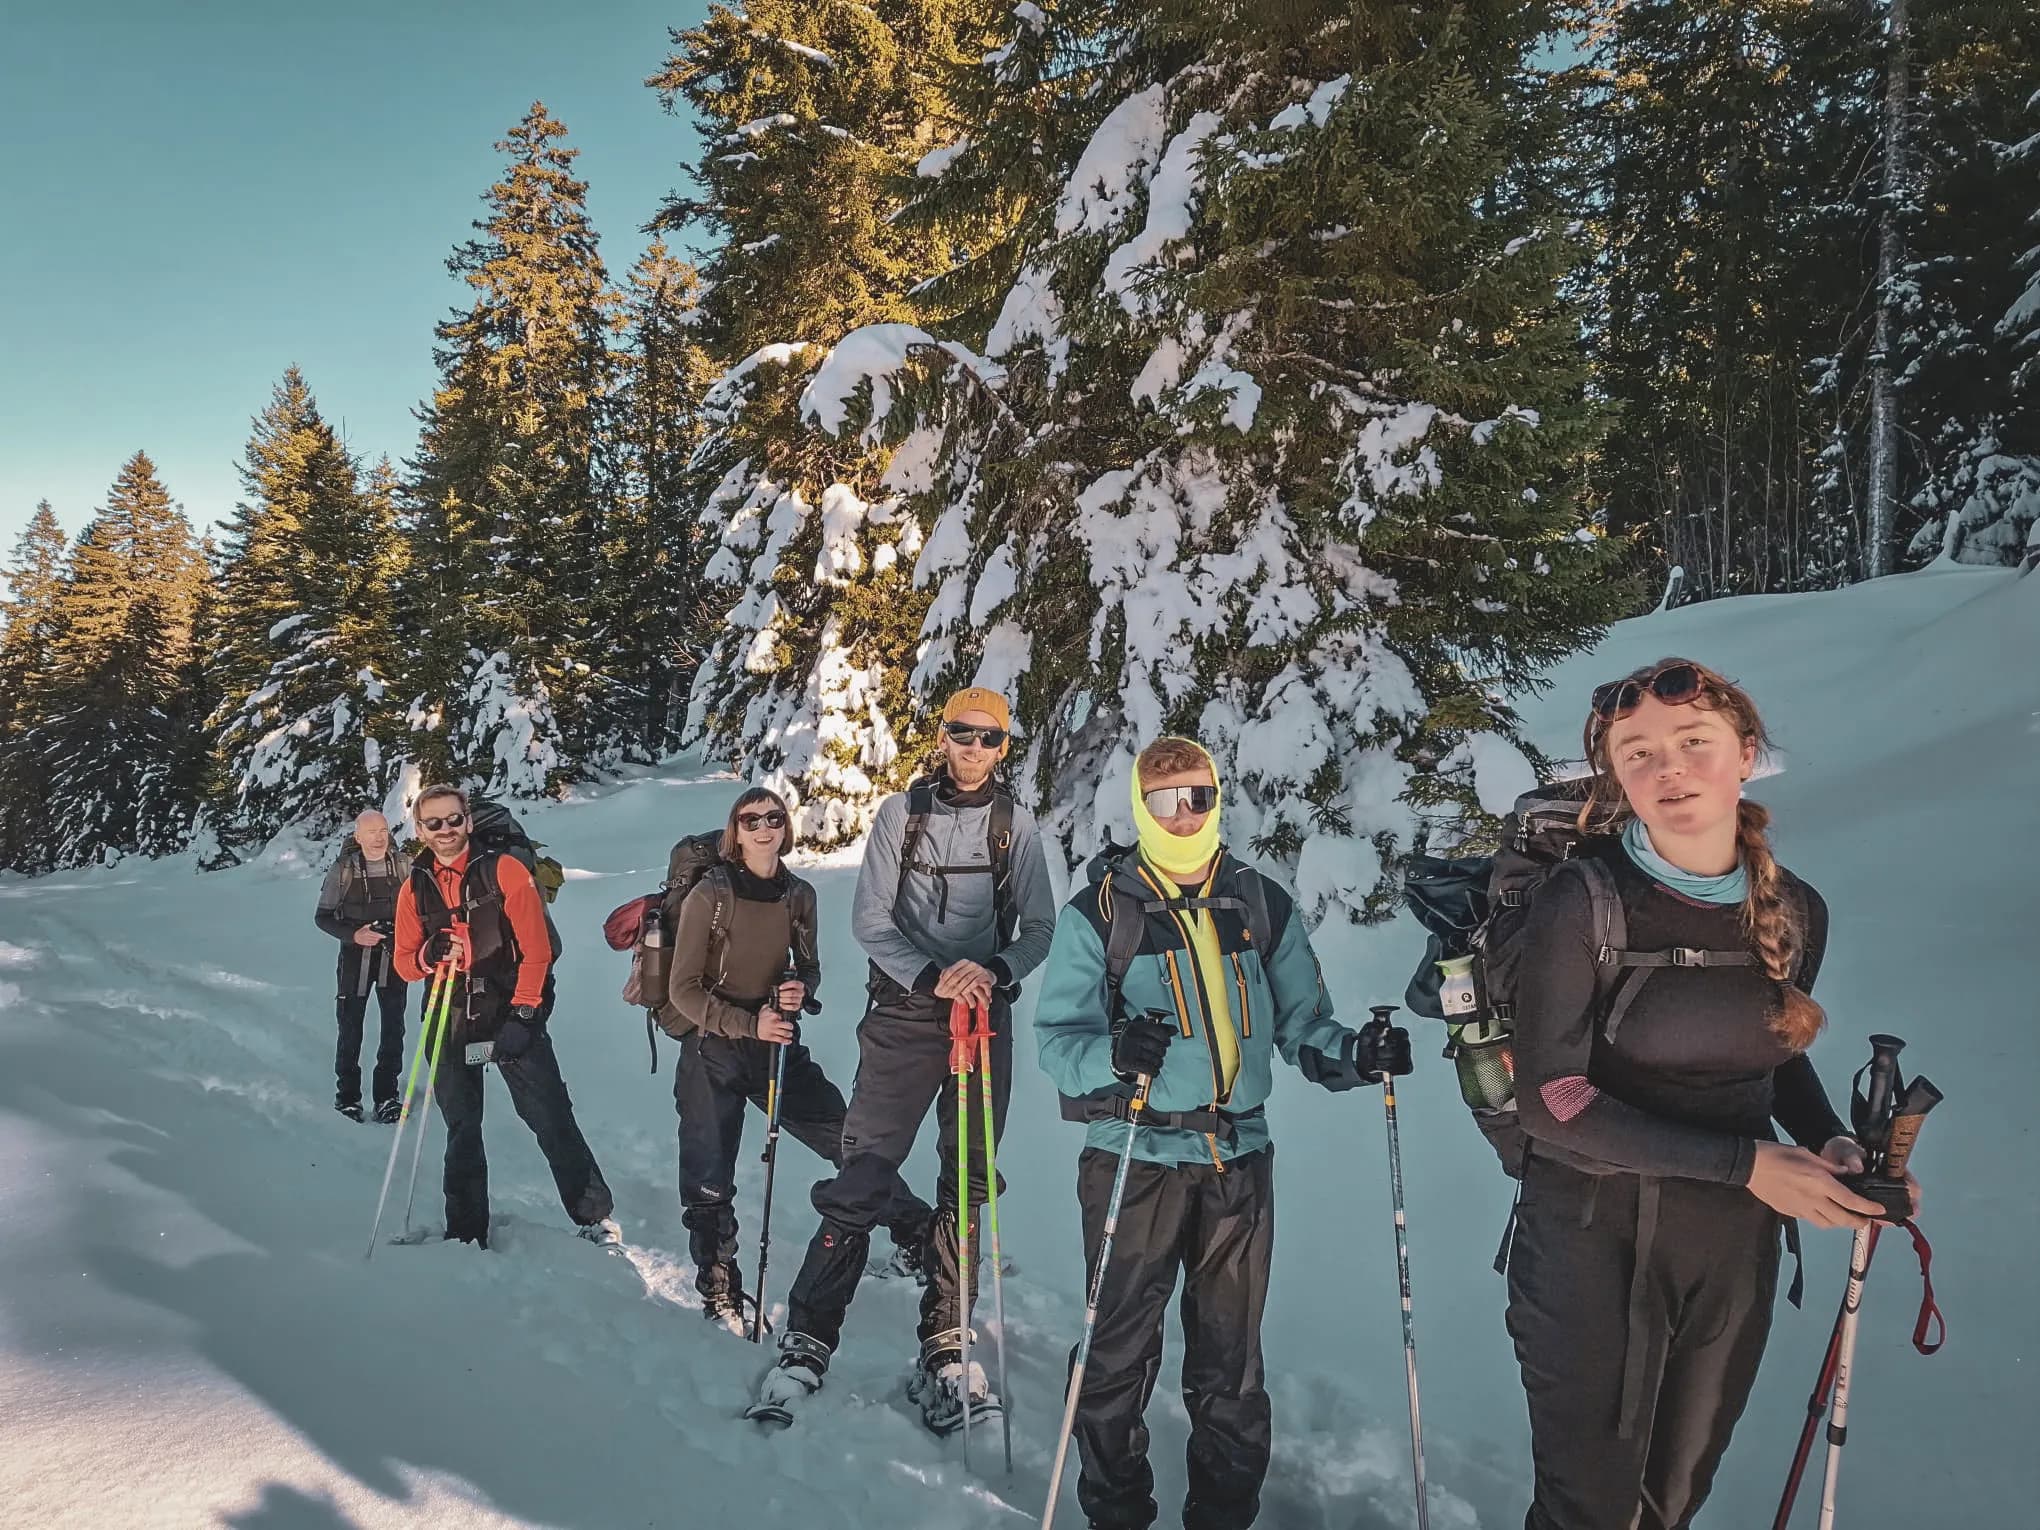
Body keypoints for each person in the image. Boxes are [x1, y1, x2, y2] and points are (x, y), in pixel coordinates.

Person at [1506, 658, 1912, 1530]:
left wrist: (1831, 1145)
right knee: (1588, 1507)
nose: (1669, 769)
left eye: (1694, 742)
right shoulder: (1584, 900)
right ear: (1616, 773)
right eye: (1638, 752)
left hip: (1731, 1247)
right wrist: (1749, 1163)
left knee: (1674, 1499)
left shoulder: (1796, 909)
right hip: (1588, 1236)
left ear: (1745, 753)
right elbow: (1553, 1098)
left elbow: (1774, 1056)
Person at [1032, 735, 1412, 1530]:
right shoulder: (1102, 909)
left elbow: (1305, 1023)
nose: (1185, 814)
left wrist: (1357, 1054)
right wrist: (1115, 1053)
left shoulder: (1256, 899)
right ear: (1142, 806)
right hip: (1134, 1156)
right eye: (1166, 800)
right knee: (1116, 1355)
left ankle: (1223, 1515)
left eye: (1199, 796)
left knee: (1231, 1365)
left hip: (1238, 1159)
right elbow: (1056, 1048)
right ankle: (1115, 1512)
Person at [754, 686, 1056, 1432]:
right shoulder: (902, 814)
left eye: (989, 738)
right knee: (864, 1170)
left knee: (967, 1176)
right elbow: (870, 919)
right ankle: (809, 1336)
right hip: (904, 1012)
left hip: (984, 1017)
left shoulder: (1017, 825)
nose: (974, 748)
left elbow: (1041, 926)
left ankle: (947, 1346)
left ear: (1003, 747)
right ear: (944, 736)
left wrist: (994, 971)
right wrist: (932, 974)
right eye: (962, 733)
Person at [663, 786, 932, 1330]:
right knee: (709, 1172)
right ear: (735, 832)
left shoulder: (799, 894)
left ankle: (920, 1237)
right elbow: (682, 989)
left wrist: (795, 991)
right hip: (712, 1045)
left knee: (849, 1139)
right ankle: (718, 1287)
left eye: (773, 818)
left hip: (776, 1044)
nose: (764, 827)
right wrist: (747, 1021)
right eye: (751, 819)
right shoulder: (710, 894)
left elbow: (808, 969)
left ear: (786, 828)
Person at [390, 784, 618, 1250]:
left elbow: (538, 951)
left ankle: (594, 1216)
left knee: (550, 1114)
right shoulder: (414, 884)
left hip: (509, 1008)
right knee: (461, 1125)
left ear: (468, 821)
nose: (445, 830)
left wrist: (525, 1014)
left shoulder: (506, 870)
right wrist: (431, 952)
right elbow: (403, 964)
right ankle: (466, 1231)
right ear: (419, 830)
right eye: (433, 823)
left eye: (453, 819)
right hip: (449, 1012)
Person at [314, 810, 413, 1123]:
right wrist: (355, 934)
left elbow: (419, 910)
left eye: (383, 830)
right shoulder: (343, 870)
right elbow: (323, 917)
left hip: (393, 957)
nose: (379, 837)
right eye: (371, 831)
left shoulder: (403, 865)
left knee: (393, 1029)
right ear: (357, 836)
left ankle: (387, 1097)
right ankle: (348, 1097)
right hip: (354, 960)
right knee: (350, 1028)